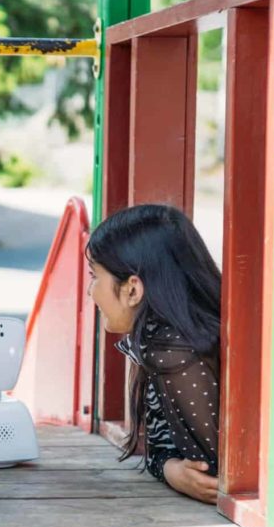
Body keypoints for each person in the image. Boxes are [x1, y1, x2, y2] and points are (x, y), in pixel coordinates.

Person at [85, 204, 222, 503]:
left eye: (94, 276)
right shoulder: (162, 342)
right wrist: (172, 470)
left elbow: (214, 476)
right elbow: (161, 447)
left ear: (132, 290)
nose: (90, 291)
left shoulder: (174, 351)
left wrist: (177, 471)